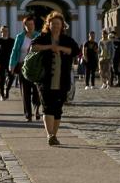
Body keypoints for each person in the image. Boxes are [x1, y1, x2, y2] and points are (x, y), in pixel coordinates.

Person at [27, 13, 83, 145]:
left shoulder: (66, 39)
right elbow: (33, 47)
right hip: (45, 79)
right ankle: (49, 135)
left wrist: (61, 48)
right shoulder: (43, 37)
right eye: (53, 24)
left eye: (58, 24)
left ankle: (54, 135)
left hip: (62, 79)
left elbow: (75, 51)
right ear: (49, 25)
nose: (56, 26)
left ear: (62, 25)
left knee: (58, 108)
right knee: (47, 107)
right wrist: (50, 47)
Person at [0, 31, 15, 101]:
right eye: (3, 30)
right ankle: (2, 94)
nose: (5, 32)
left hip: (10, 62)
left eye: (6, 30)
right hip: (1, 62)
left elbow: (15, 51)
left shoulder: (12, 41)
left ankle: (7, 89)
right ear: (1, 32)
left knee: (12, 77)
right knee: (2, 79)